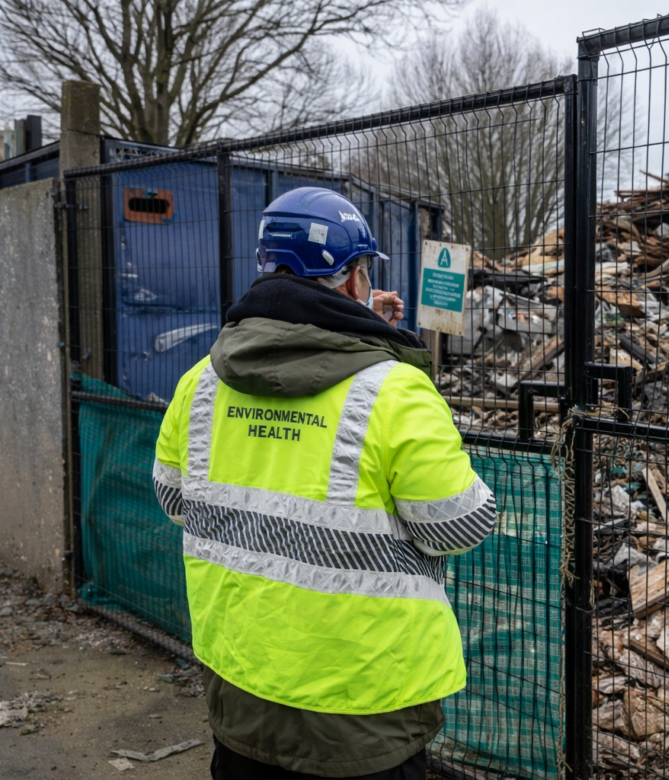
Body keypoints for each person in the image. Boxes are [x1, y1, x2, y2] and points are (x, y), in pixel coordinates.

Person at [151, 187, 495, 779]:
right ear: (354, 277)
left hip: (242, 693)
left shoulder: (201, 382)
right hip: (364, 711)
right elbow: (457, 525)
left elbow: (175, 499)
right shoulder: (393, 390)